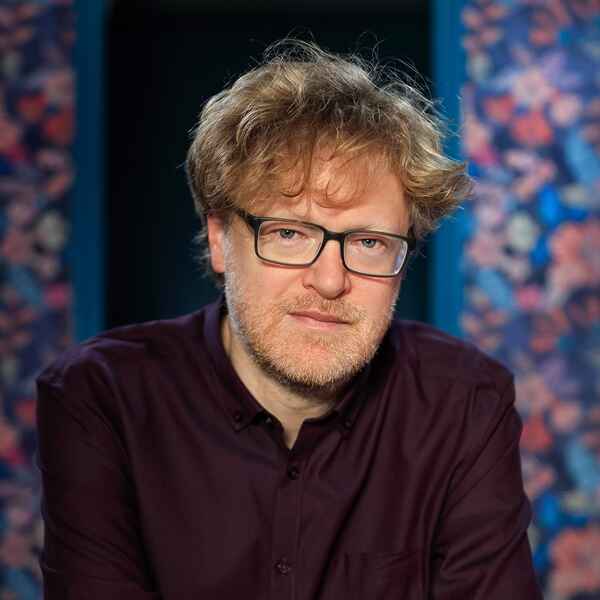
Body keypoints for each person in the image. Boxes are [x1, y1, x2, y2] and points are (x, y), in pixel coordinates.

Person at [35, 40, 543, 599]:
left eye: (369, 243)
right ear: (220, 239)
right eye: (289, 234)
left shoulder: (465, 401)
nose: (329, 280)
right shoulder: (103, 397)